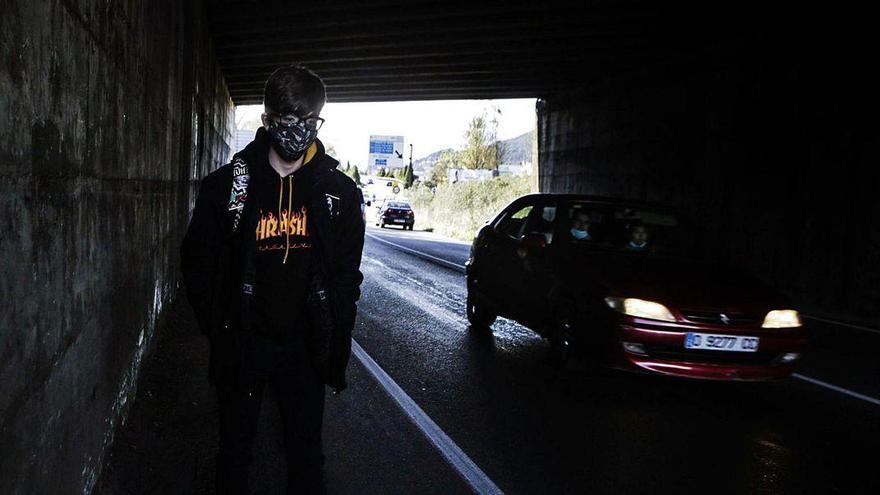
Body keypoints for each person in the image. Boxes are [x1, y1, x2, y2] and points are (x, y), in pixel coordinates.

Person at [180, 65, 365, 494]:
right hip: (244, 343)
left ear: (318, 121)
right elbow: (197, 261)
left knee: (306, 457)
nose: (298, 132)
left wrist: (336, 337)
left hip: (305, 349)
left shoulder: (338, 193)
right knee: (234, 454)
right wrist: (219, 326)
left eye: (308, 121)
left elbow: (345, 278)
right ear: (266, 121)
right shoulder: (227, 188)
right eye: (287, 121)